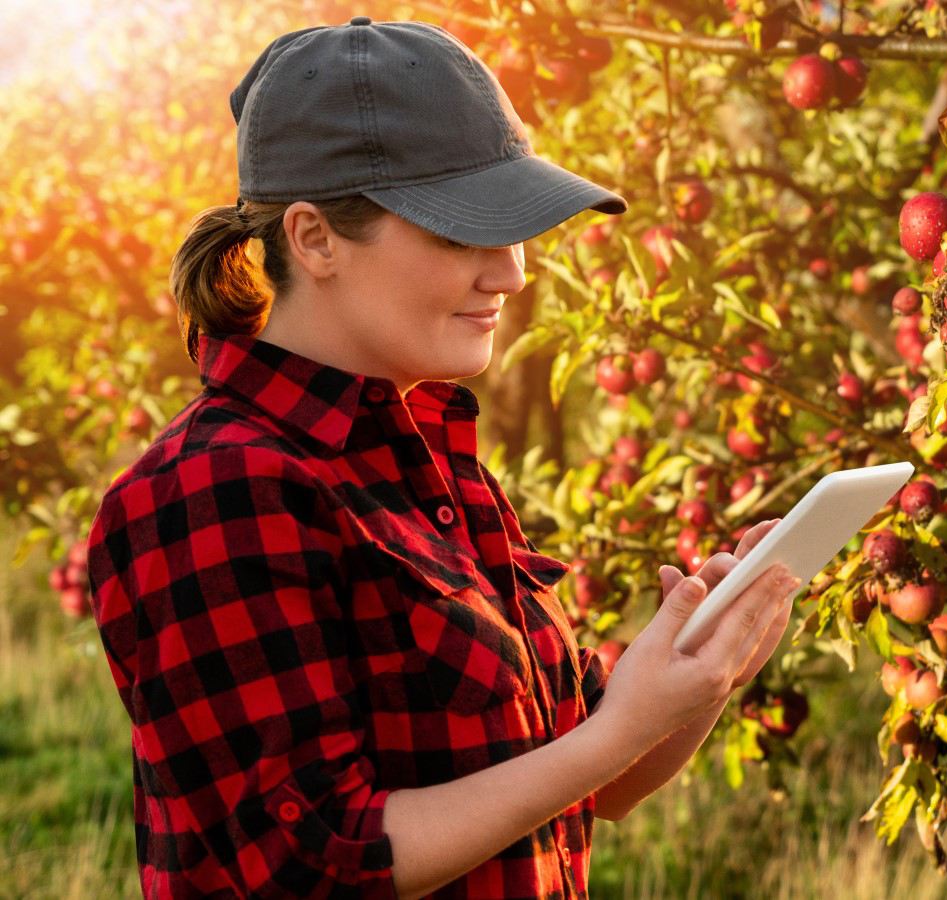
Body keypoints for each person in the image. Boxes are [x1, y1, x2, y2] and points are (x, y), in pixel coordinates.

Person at [84, 17, 800, 900]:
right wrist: (616, 734)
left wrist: (702, 675)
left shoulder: (425, 463)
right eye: (465, 236)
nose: (513, 273)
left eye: (518, 232)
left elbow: (590, 786)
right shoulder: (212, 490)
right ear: (313, 238)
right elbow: (309, 870)